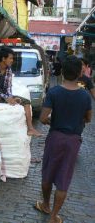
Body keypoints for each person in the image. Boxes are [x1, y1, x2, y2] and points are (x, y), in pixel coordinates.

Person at [36, 55, 92, 223]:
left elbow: (42, 118)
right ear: (79, 74)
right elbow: (88, 118)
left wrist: (53, 121)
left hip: (55, 137)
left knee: (47, 174)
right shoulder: (84, 96)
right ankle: (53, 216)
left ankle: (45, 205)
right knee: (63, 178)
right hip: (73, 140)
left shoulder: (54, 92)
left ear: (62, 72)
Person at [0, 46, 42, 136]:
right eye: (10, 58)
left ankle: (30, 128)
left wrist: (10, 97)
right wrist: (6, 98)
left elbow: (8, 87)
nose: (12, 60)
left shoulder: (8, 70)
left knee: (26, 102)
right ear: (3, 59)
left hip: (2, 95)